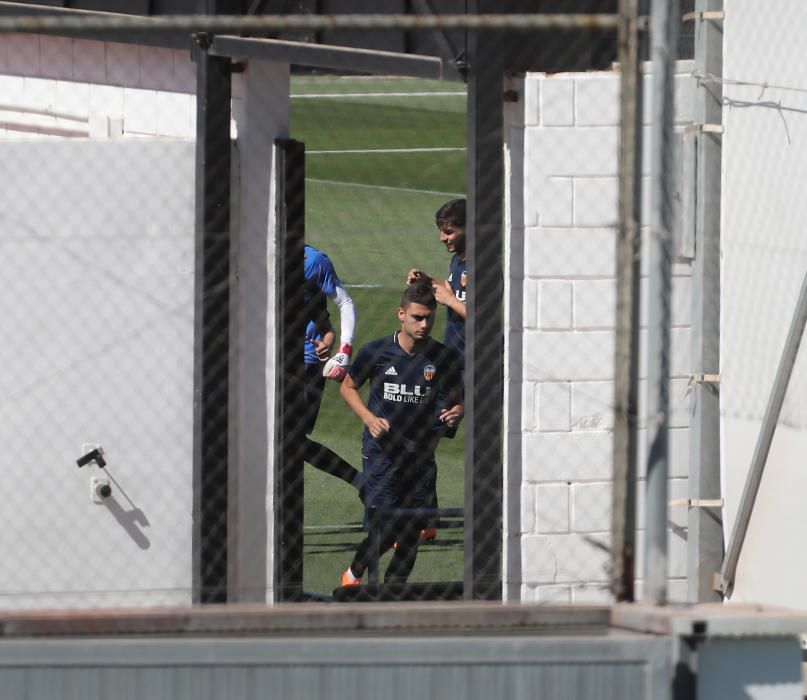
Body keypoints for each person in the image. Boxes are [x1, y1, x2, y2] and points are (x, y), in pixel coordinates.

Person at [339, 281, 463, 587]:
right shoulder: (377, 352)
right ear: (401, 314)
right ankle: (353, 576)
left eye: (429, 318)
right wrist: (369, 418)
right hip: (383, 455)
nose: (423, 325)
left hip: (420, 456)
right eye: (417, 318)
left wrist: (460, 409)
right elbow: (348, 386)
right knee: (387, 528)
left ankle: (393, 596)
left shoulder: (443, 358)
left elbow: (459, 396)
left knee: (411, 535)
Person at [302, 244, 362, 490]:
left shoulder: (314, 262)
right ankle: (361, 482)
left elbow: (343, 304)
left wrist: (342, 348)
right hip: (267, 358)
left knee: (290, 439)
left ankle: (360, 481)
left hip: (306, 362)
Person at [407, 198, 467, 368]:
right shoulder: (458, 260)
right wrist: (426, 281)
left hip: (477, 361)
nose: (442, 238)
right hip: (455, 356)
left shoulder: (483, 265)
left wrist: (450, 301)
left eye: (448, 232)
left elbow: (486, 322)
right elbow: (451, 289)